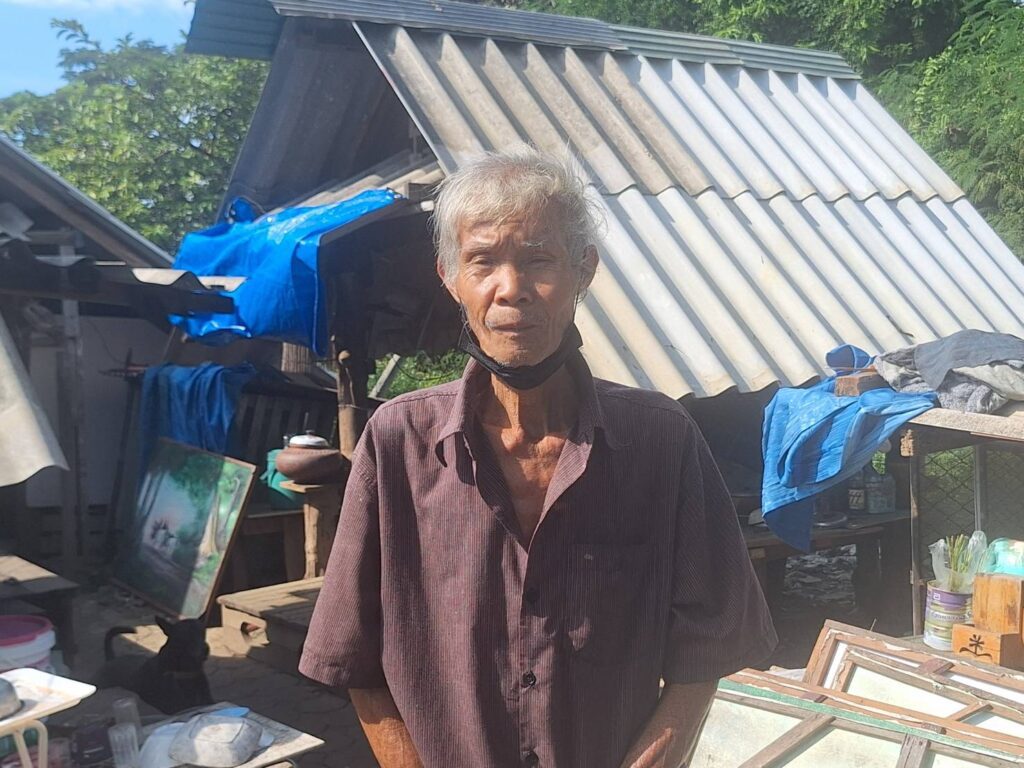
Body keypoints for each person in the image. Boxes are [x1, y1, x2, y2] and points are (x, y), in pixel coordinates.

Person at [299, 147, 777, 768]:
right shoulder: (398, 441)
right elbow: (352, 655)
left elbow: (710, 646)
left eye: (539, 260)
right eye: (483, 261)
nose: (512, 290)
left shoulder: (660, 440)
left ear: (584, 271)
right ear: (450, 277)